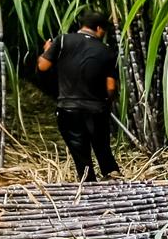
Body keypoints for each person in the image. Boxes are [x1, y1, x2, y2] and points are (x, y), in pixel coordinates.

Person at [36, 13, 119, 181]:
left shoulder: (63, 41)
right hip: (96, 109)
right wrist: (106, 103)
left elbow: (43, 66)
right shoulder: (106, 51)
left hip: (68, 108)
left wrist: (47, 51)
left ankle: (88, 184)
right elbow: (111, 87)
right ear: (98, 29)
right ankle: (112, 175)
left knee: (80, 153)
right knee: (102, 147)